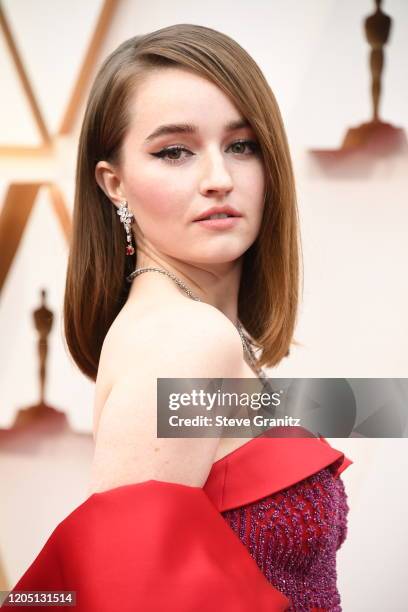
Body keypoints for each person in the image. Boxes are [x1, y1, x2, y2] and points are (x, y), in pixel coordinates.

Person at [3, 24, 352, 611]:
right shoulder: (187, 338)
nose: (219, 178)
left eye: (242, 145)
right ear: (114, 184)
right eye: (174, 151)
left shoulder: (198, 329)